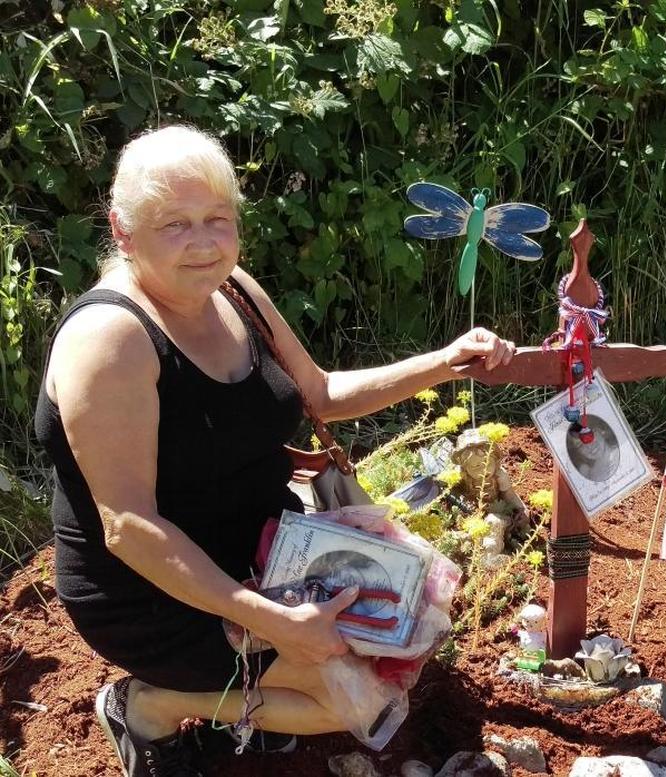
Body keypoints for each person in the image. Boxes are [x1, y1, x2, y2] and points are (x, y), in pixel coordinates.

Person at [34, 125, 515, 776]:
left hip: (266, 547)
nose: (204, 242)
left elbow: (320, 391)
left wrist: (447, 363)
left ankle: (258, 689)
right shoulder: (112, 341)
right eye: (175, 224)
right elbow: (130, 528)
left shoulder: (234, 291)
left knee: (406, 623)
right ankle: (149, 702)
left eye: (218, 218)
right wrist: (268, 619)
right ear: (122, 231)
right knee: (360, 698)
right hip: (155, 594)